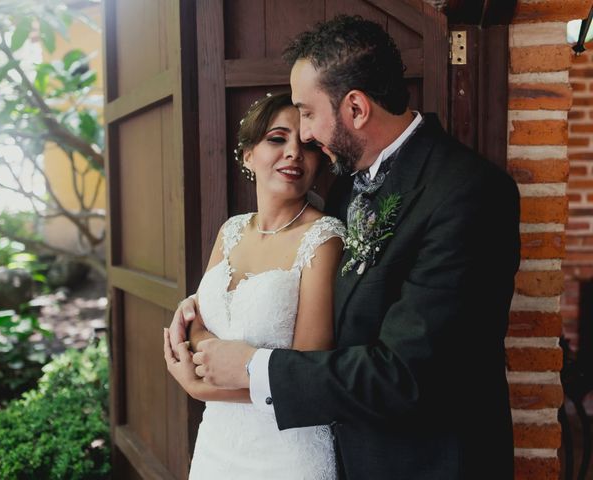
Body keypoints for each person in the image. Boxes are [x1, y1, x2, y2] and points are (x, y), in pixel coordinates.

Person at [168, 15, 521, 480]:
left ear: (355, 109)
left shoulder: (468, 192)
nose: (305, 136)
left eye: (308, 113)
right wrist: (196, 313)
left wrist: (252, 369)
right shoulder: (347, 187)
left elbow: (406, 375)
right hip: (340, 454)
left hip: (422, 463)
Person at [163, 92, 345, 479]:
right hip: (217, 445)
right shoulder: (230, 231)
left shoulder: (323, 239)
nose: (293, 153)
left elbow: (307, 376)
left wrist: (200, 388)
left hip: (287, 452)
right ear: (248, 155)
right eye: (277, 139)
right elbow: (195, 321)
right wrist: (193, 335)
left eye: (307, 145)